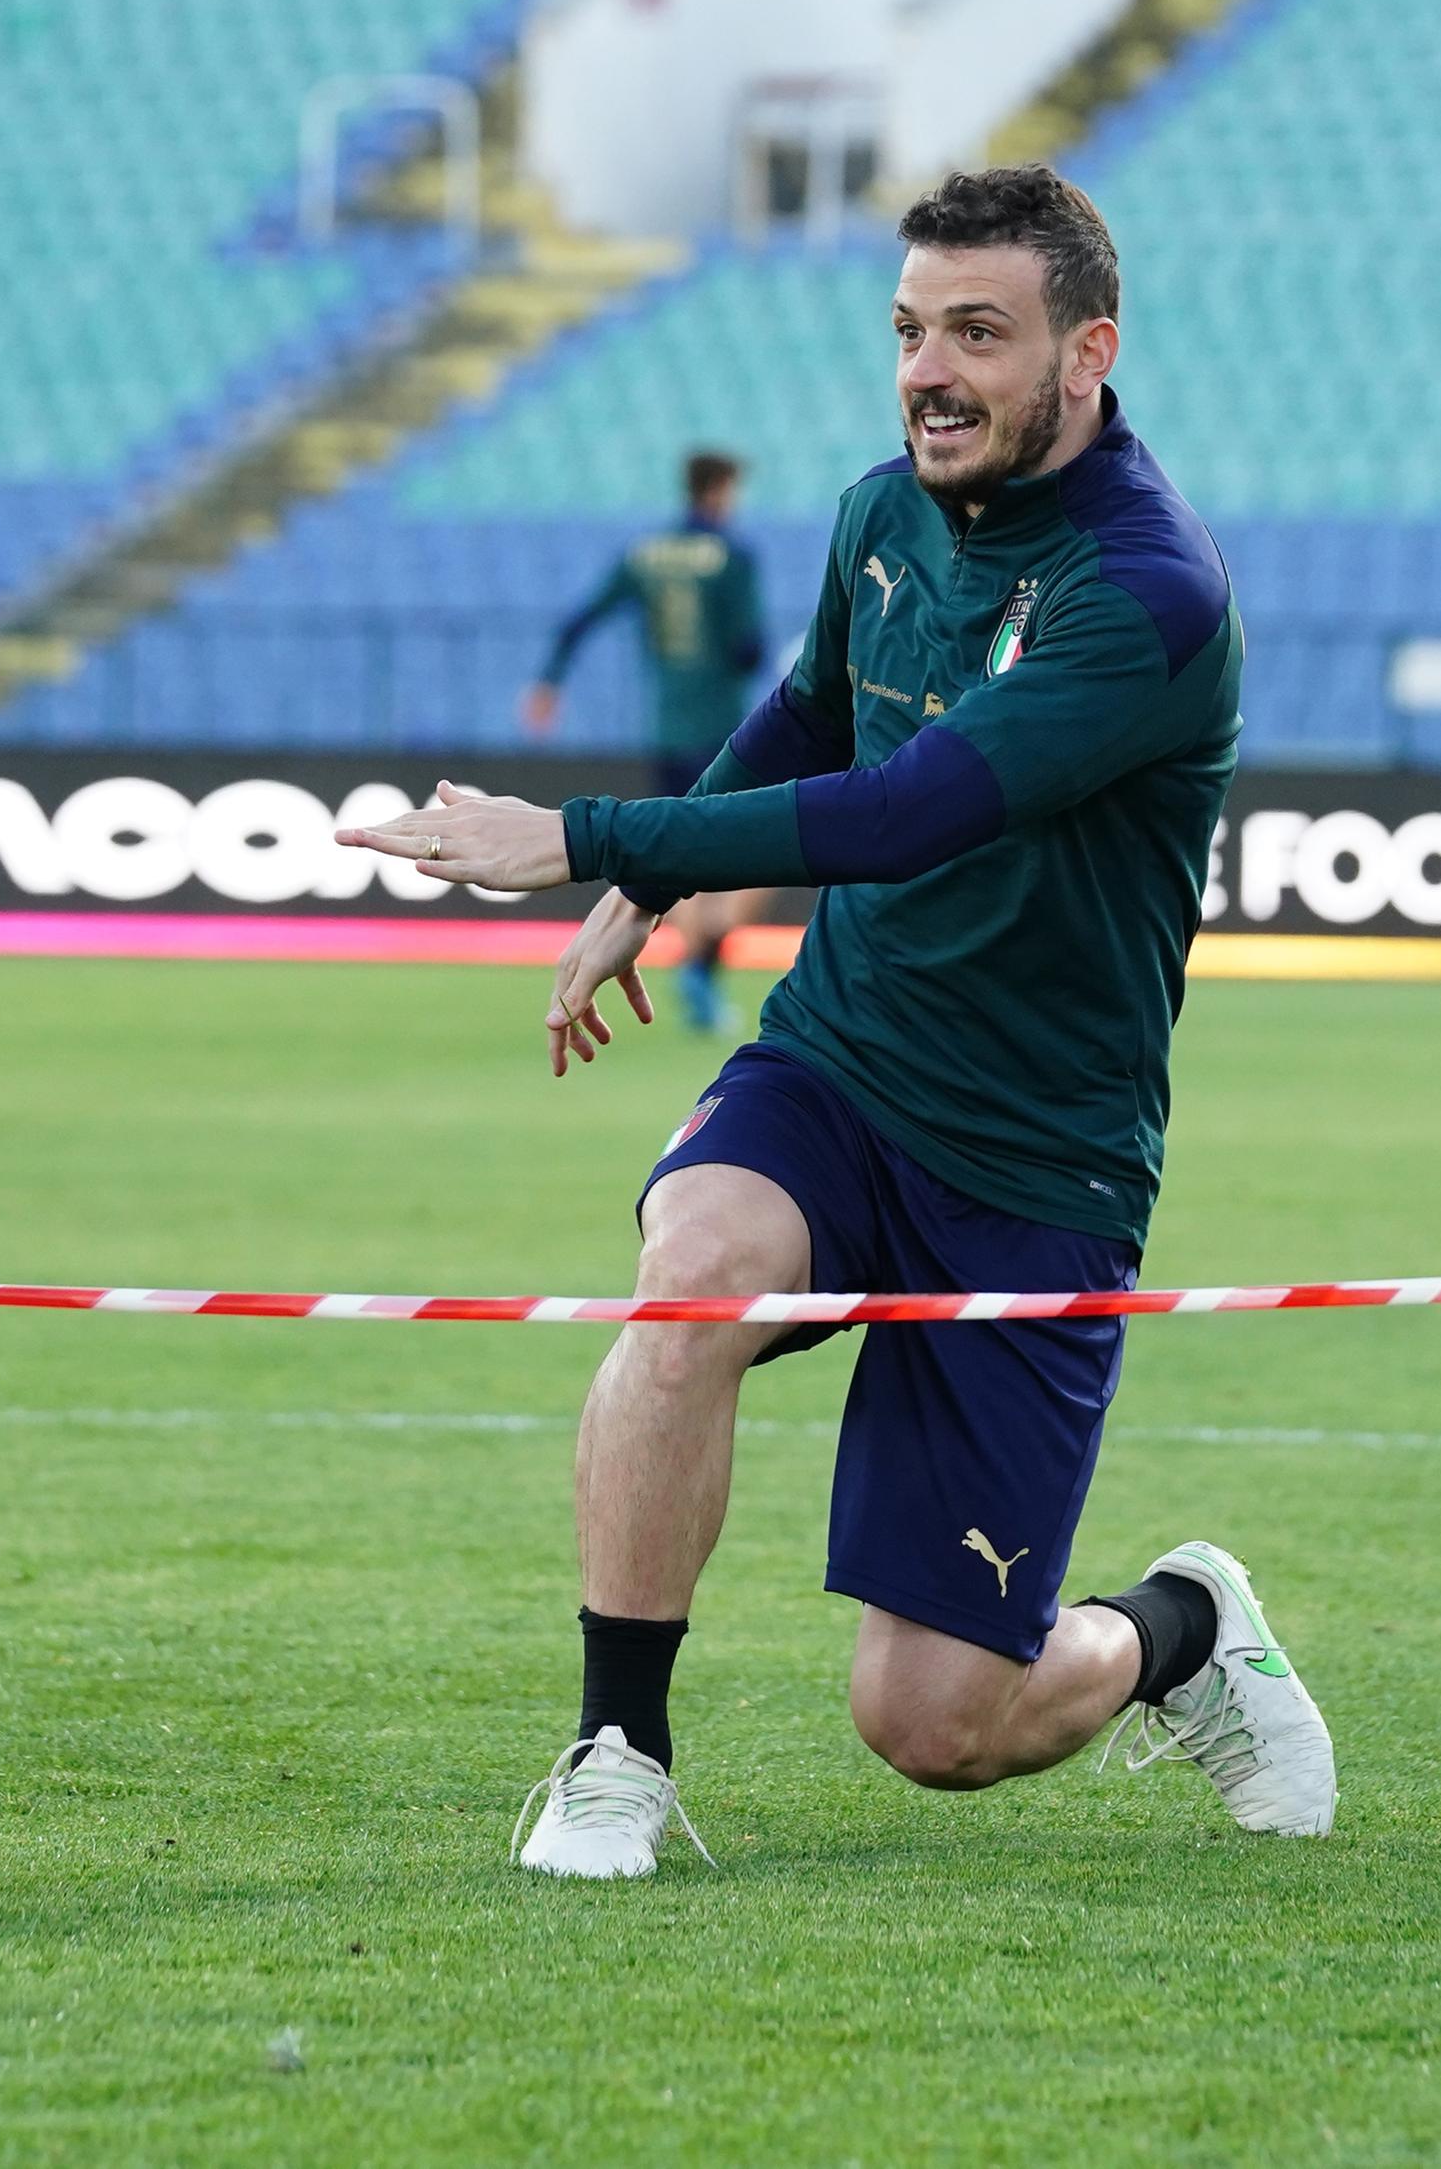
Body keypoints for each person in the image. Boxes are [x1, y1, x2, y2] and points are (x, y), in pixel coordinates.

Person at [344, 166, 1334, 1877]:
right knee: (695, 1267)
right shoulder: (882, 514)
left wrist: (577, 837)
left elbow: (907, 809)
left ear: (1087, 353)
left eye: (978, 334)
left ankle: (1182, 1628)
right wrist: (647, 887)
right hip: (843, 1064)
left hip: (1038, 1157)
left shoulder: (1148, 590)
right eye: (907, 330)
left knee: (937, 1723)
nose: (928, 371)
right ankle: (616, 1753)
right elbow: (813, 712)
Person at [522, 451, 769, 1030]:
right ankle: (703, 968)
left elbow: (582, 618)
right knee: (758, 858)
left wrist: (548, 683)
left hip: (666, 731)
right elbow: (749, 650)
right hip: (722, 731)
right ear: (722, 489)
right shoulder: (732, 556)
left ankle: (696, 972)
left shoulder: (646, 553)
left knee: (683, 854)